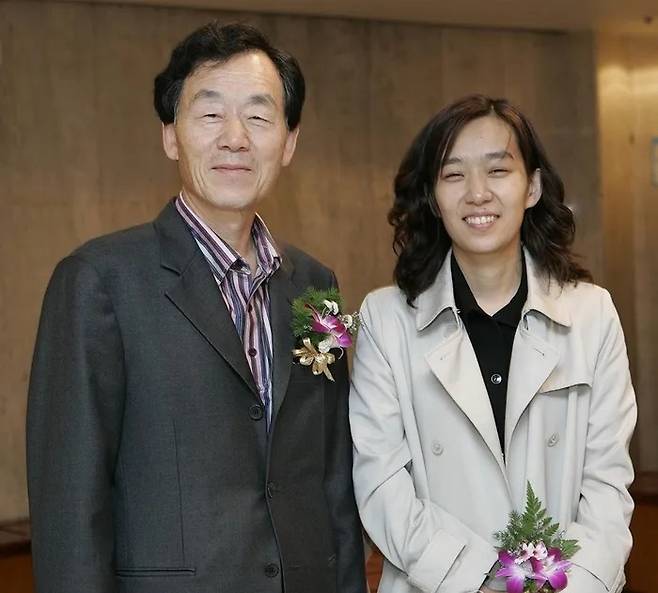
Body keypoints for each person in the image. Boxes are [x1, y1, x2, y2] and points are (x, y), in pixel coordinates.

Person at [26, 21, 366, 593]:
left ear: (288, 142)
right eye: (210, 114)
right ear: (170, 135)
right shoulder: (98, 282)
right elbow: (69, 507)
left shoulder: (315, 286)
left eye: (258, 116)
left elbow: (333, 478)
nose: (235, 137)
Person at [349, 95, 636, 593]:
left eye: (498, 170)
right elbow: (381, 485)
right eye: (453, 175)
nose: (477, 193)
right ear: (433, 198)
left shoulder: (592, 315)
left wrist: (565, 584)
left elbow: (608, 484)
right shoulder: (386, 319)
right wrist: (482, 580)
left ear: (532, 187)